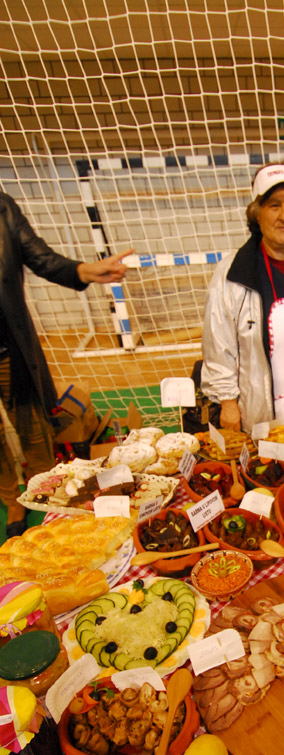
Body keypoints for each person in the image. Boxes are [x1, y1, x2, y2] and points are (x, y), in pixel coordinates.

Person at [0, 191, 132, 538]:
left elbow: (41, 258)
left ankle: (48, 496)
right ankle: (11, 500)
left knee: (32, 428)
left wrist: (85, 270)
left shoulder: (3, 207)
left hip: (9, 345)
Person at [201, 159, 284, 433]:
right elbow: (218, 346)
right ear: (257, 212)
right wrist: (227, 402)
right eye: (274, 205)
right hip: (260, 415)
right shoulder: (233, 273)